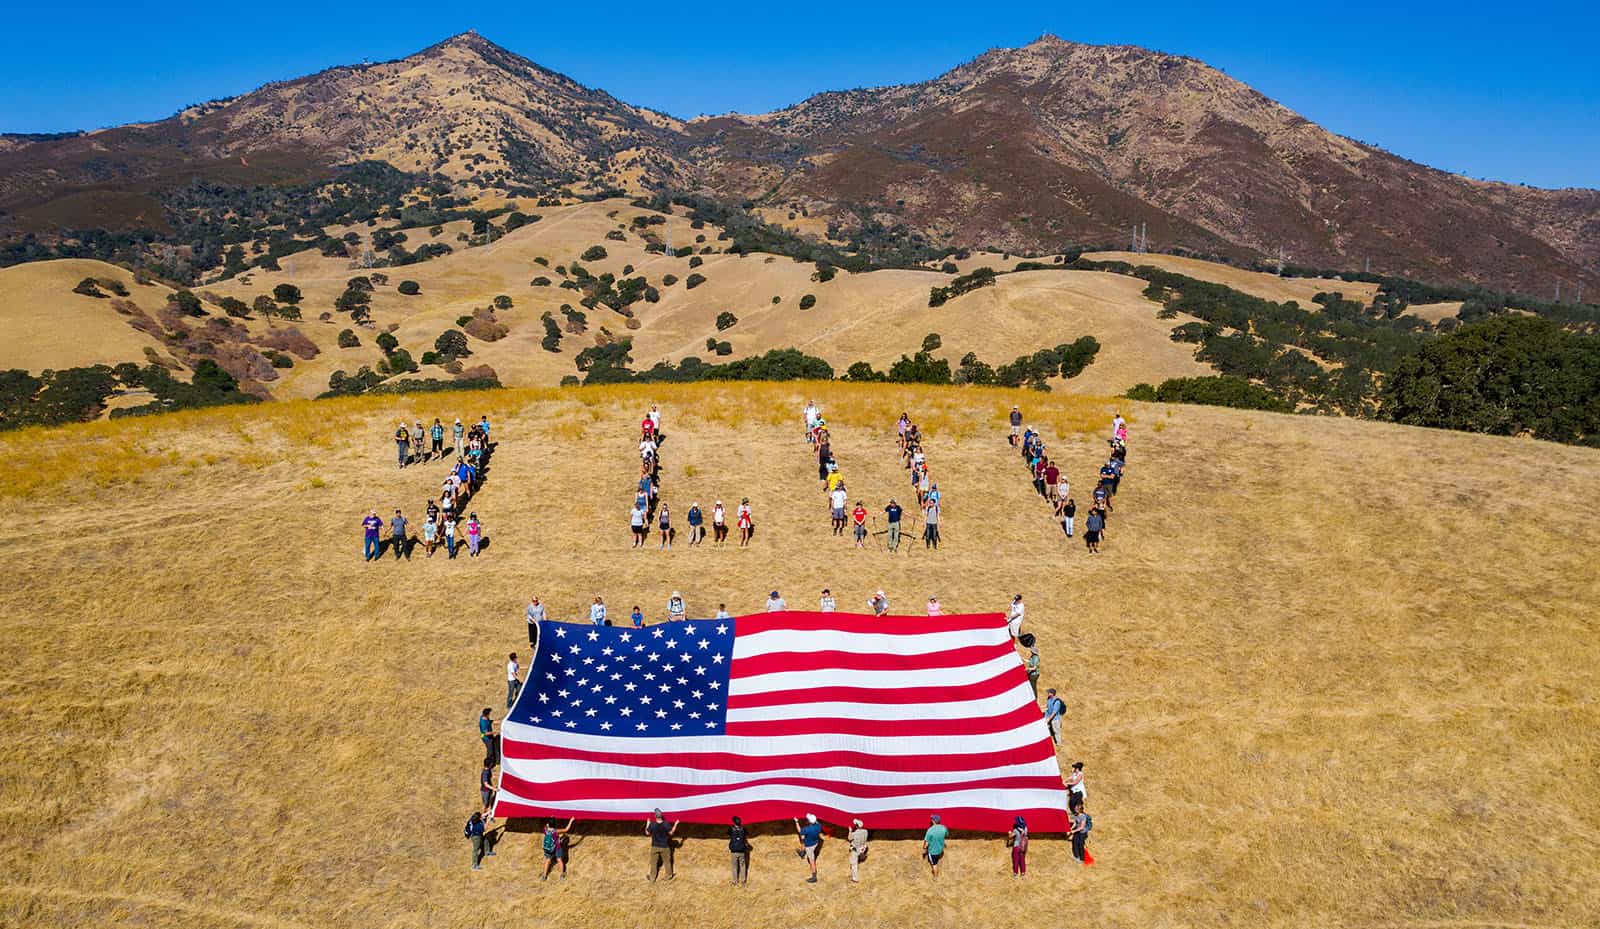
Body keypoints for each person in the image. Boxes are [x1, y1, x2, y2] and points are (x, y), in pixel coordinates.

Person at [646, 809, 678, 882]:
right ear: (662, 815)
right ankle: (669, 876)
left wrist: (647, 823)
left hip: (655, 846)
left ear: (655, 816)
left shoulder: (652, 824)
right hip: (665, 847)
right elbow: (671, 833)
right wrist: (676, 824)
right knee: (667, 862)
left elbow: (647, 833)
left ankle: (652, 878)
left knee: (653, 863)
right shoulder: (666, 824)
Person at [794, 813, 823, 883]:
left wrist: (796, 822)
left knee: (812, 861)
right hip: (815, 843)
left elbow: (800, 831)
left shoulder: (807, 829)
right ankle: (802, 853)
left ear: (809, 821)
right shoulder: (819, 826)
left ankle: (814, 877)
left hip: (809, 846)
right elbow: (816, 822)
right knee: (803, 839)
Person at [922, 814, 948, 879]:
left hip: (933, 852)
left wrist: (924, 849)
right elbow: (946, 834)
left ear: (933, 821)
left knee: (934, 864)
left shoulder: (930, 830)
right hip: (940, 850)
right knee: (937, 857)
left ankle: (935, 877)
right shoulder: (944, 828)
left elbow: (926, 843)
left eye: (932, 819)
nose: (931, 820)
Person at [729, 815, 752, 885]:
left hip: (734, 851)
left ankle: (735, 881)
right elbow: (748, 834)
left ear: (733, 822)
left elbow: (727, 834)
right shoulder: (743, 829)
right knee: (743, 865)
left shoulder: (731, 829)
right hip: (742, 850)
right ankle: (743, 880)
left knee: (734, 866)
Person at [847, 818, 869, 883]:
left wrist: (850, 831)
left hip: (856, 849)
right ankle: (861, 857)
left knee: (854, 864)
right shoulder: (865, 831)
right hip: (863, 847)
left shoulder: (854, 834)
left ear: (856, 826)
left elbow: (849, 838)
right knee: (860, 854)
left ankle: (855, 878)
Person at [1022, 634, 1041, 698]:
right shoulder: (1033, 656)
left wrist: (1028, 669)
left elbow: (1034, 667)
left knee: (1033, 687)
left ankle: (1034, 698)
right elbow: (1030, 661)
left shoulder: (1035, 658)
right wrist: (1023, 659)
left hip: (1034, 675)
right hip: (1031, 673)